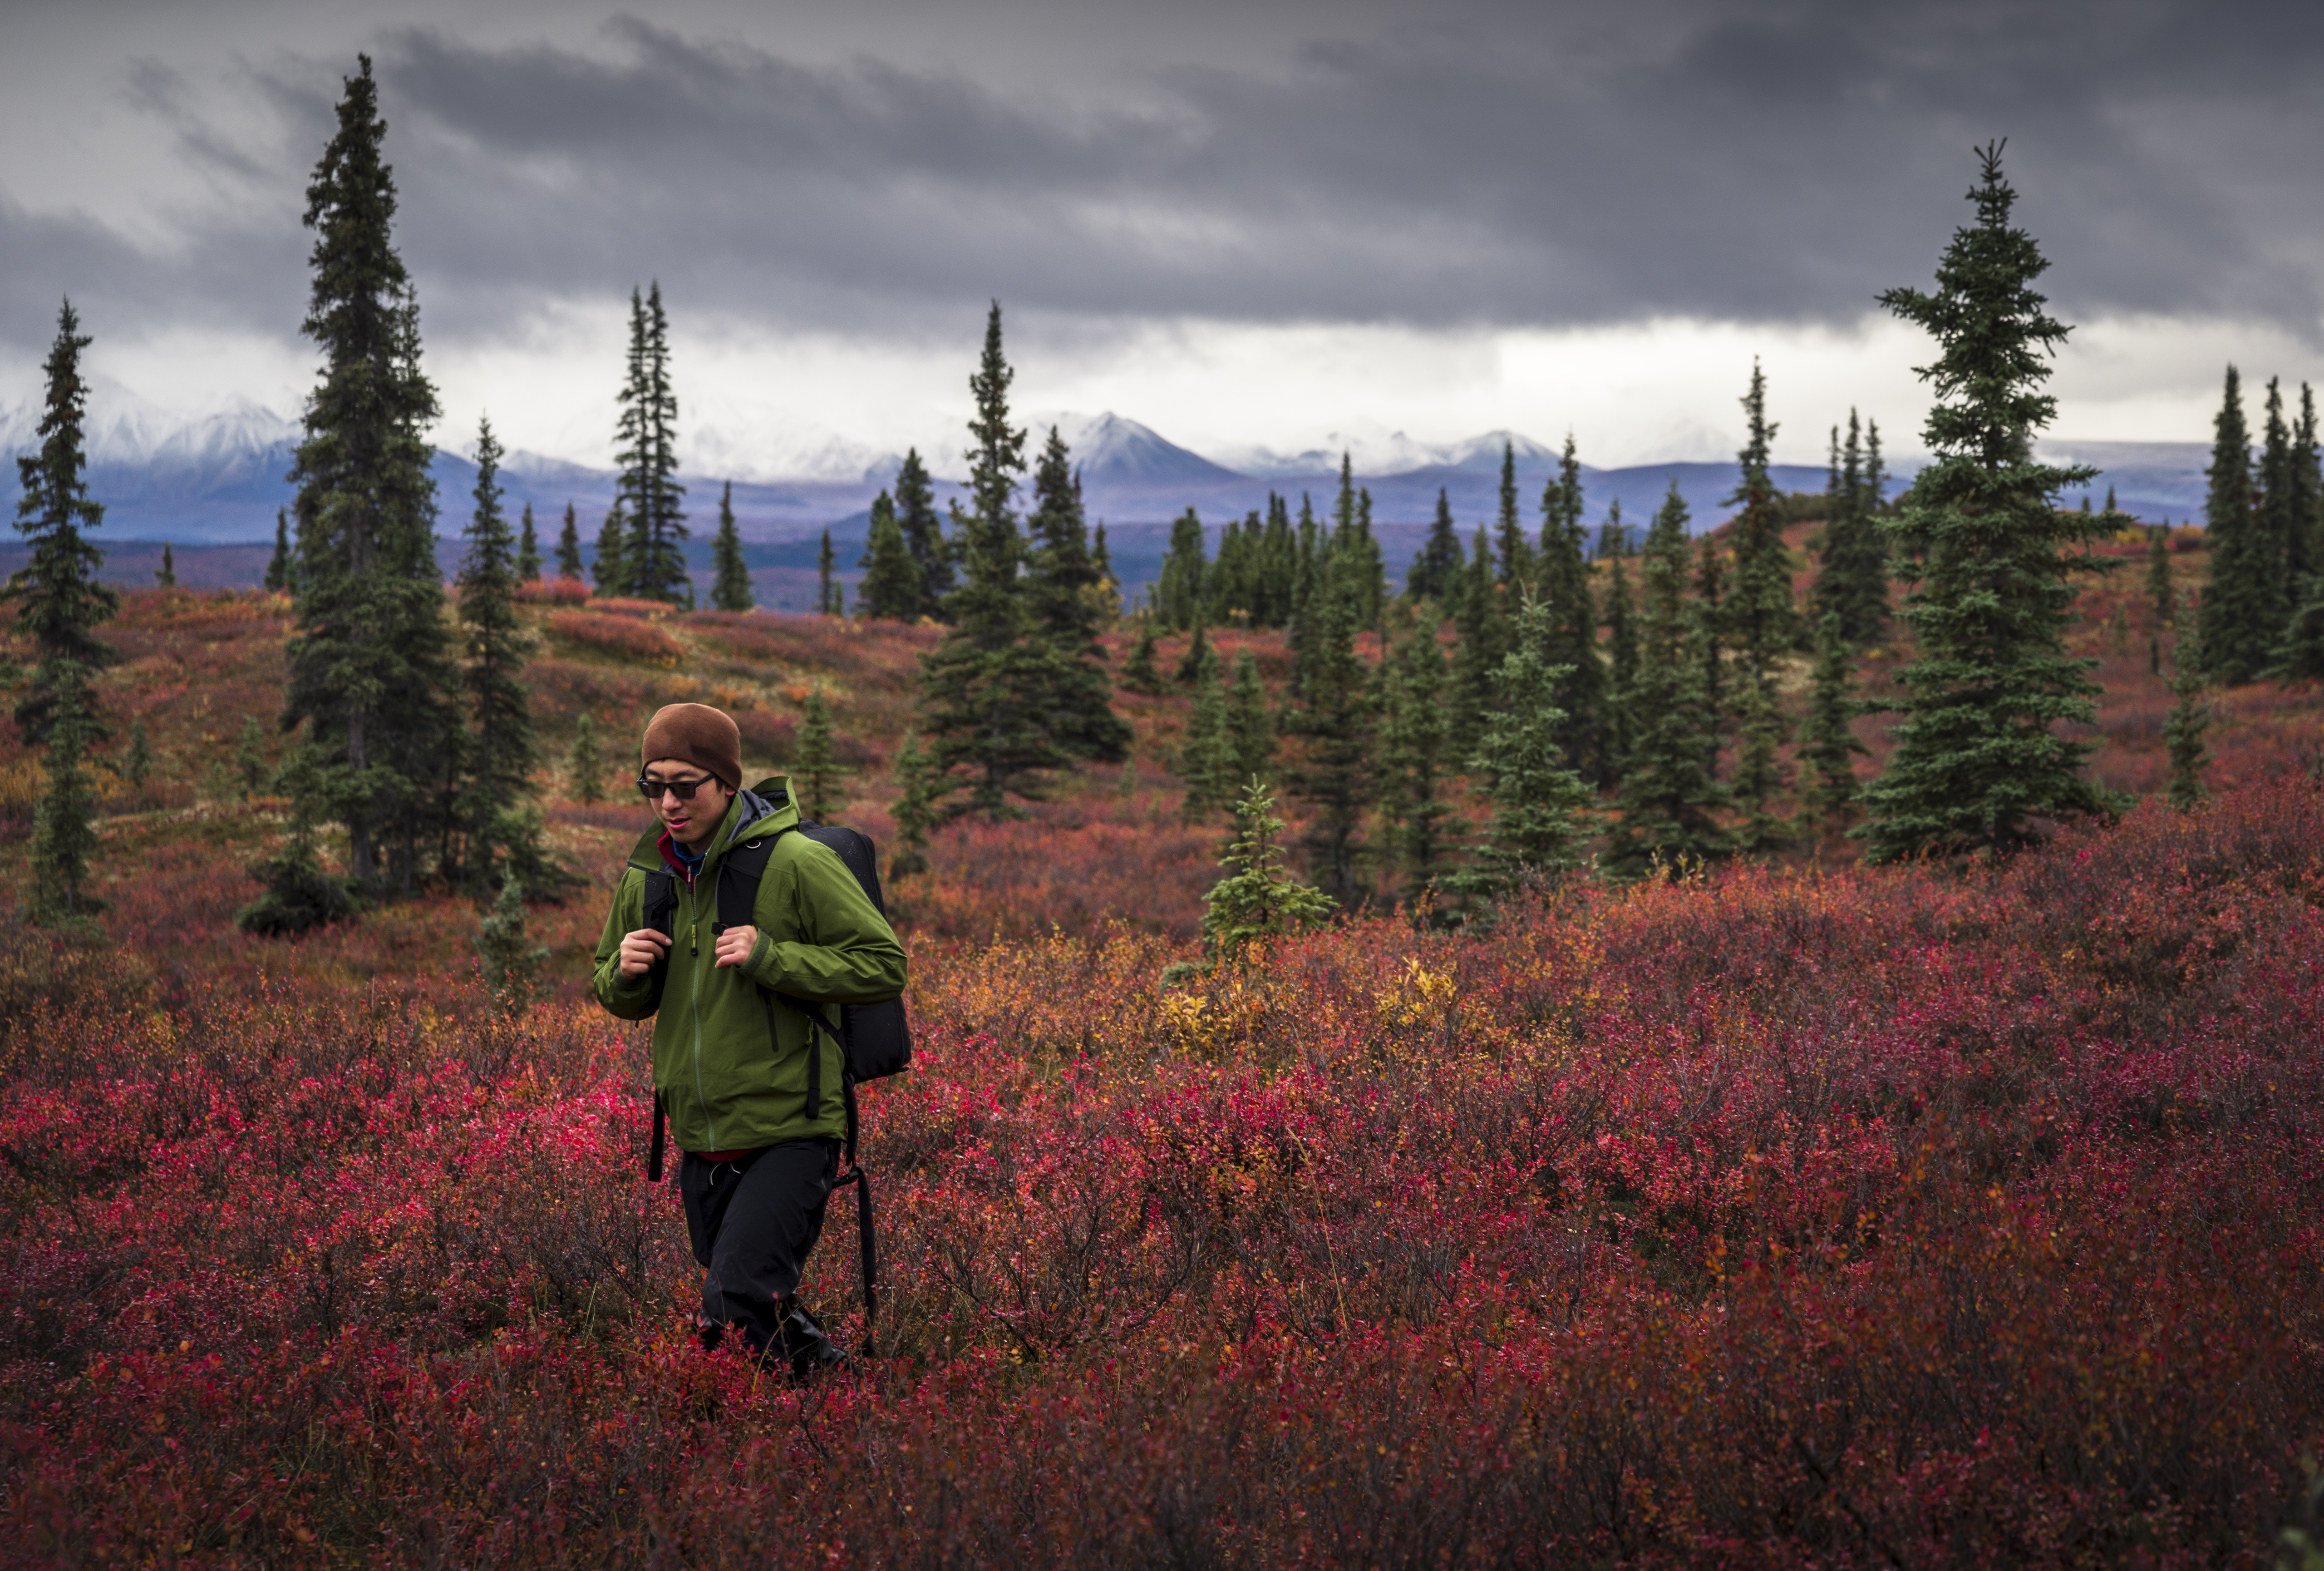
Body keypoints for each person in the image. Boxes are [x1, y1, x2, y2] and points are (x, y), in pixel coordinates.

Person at [591, 702, 907, 1377]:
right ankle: (841, 1396)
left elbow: (885, 965)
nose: (668, 803)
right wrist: (623, 972)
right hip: (701, 1138)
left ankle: (802, 1439)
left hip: (793, 1128)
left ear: (728, 783)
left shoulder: (794, 862)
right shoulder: (649, 876)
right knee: (749, 1311)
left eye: (685, 784)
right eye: (653, 785)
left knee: (733, 1300)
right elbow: (616, 992)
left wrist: (774, 956)